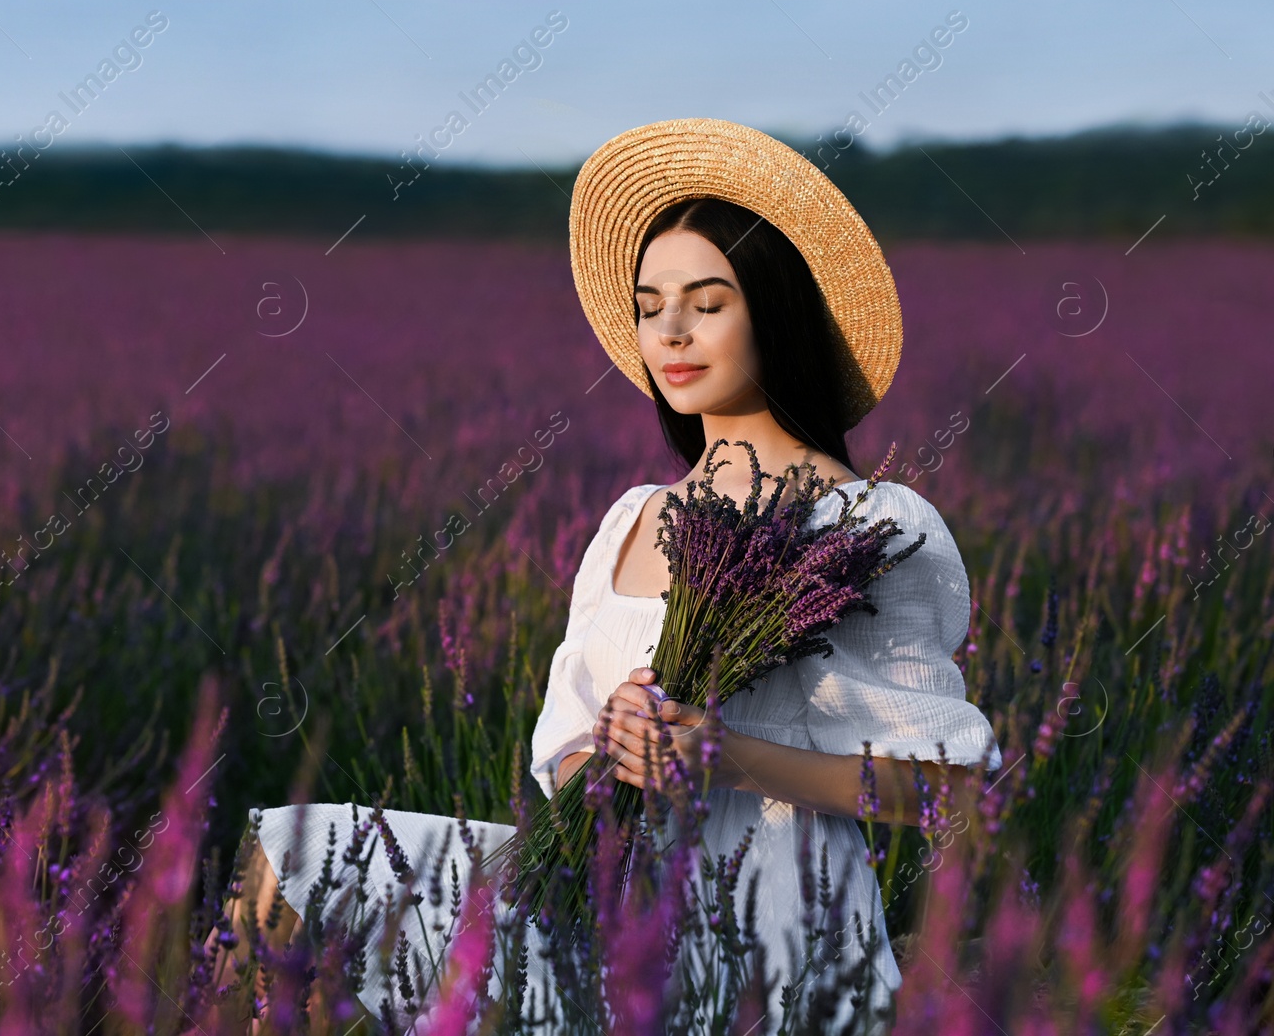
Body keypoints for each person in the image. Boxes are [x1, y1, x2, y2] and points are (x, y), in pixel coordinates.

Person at [213, 118, 1003, 1034]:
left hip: (774, 924)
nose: (669, 330)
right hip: (597, 884)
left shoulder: (875, 522)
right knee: (300, 862)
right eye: (650, 302)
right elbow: (564, 750)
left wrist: (727, 756)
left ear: (776, 315)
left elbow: (947, 788)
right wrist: (616, 746)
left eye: (708, 302)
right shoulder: (635, 517)